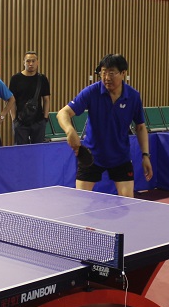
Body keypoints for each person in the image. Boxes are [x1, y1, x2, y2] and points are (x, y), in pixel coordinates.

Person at [56, 53, 153, 198]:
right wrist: (70, 131)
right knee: (80, 202)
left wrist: (145, 155)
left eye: (111, 73)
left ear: (123, 73)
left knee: (128, 203)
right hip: (92, 155)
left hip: (120, 157)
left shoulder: (133, 96)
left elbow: (140, 127)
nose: (106, 78)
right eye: (103, 73)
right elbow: (63, 113)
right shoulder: (92, 91)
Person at [9, 51, 51, 145]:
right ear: (24, 62)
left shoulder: (42, 79)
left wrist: (45, 118)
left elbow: (46, 99)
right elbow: (12, 101)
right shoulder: (15, 79)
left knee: (38, 150)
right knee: (21, 151)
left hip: (38, 122)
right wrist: (14, 120)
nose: (31, 63)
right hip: (20, 122)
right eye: (28, 61)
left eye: (33, 61)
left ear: (37, 62)